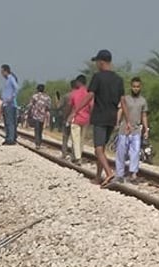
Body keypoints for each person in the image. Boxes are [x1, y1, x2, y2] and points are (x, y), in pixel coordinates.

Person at [69, 49, 127, 186]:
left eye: (96, 62)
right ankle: (97, 177)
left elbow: (89, 96)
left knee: (98, 149)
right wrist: (127, 119)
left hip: (100, 117)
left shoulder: (98, 77)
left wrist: (76, 110)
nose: (96, 65)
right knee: (102, 149)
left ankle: (109, 173)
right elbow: (123, 101)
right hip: (112, 118)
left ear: (101, 62)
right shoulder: (119, 79)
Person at [115, 77, 149, 183]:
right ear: (131, 87)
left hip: (136, 130)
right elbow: (120, 111)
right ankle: (119, 174)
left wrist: (146, 129)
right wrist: (117, 123)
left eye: (137, 86)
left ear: (140, 87)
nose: (136, 88)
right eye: (134, 86)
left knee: (135, 152)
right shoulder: (125, 98)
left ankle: (133, 174)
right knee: (121, 152)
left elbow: (144, 115)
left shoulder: (143, 101)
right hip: (124, 129)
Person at [69, 75, 91, 166]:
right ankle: (79, 155)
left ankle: (77, 158)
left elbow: (70, 105)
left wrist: (69, 116)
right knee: (82, 139)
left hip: (76, 118)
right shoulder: (89, 93)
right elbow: (91, 106)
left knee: (75, 139)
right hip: (86, 119)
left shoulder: (74, 93)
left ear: (78, 82)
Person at [28, 84, 52, 150]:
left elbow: (30, 105)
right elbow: (49, 107)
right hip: (43, 116)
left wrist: (29, 113)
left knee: (36, 130)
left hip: (35, 116)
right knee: (40, 130)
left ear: (37, 89)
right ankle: (39, 142)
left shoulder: (34, 96)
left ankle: (37, 144)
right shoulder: (47, 97)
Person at [0, 64, 19, 145]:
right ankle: (8, 137)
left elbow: (16, 88)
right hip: (6, 104)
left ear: (5, 71)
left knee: (10, 122)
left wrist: (11, 98)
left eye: (2, 71)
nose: (1, 74)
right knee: (7, 122)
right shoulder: (8, 80)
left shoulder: (11, 78)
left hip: (10, 105)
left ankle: (11, 139)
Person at [60, 80, 76, 159]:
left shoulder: (66, 96)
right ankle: (74, 155)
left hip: (67, 118)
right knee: (75, 138)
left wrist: (65, 117)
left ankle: (64, 153)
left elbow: (60, 106)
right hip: (76, 119)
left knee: (65, 137)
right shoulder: (80, 96)